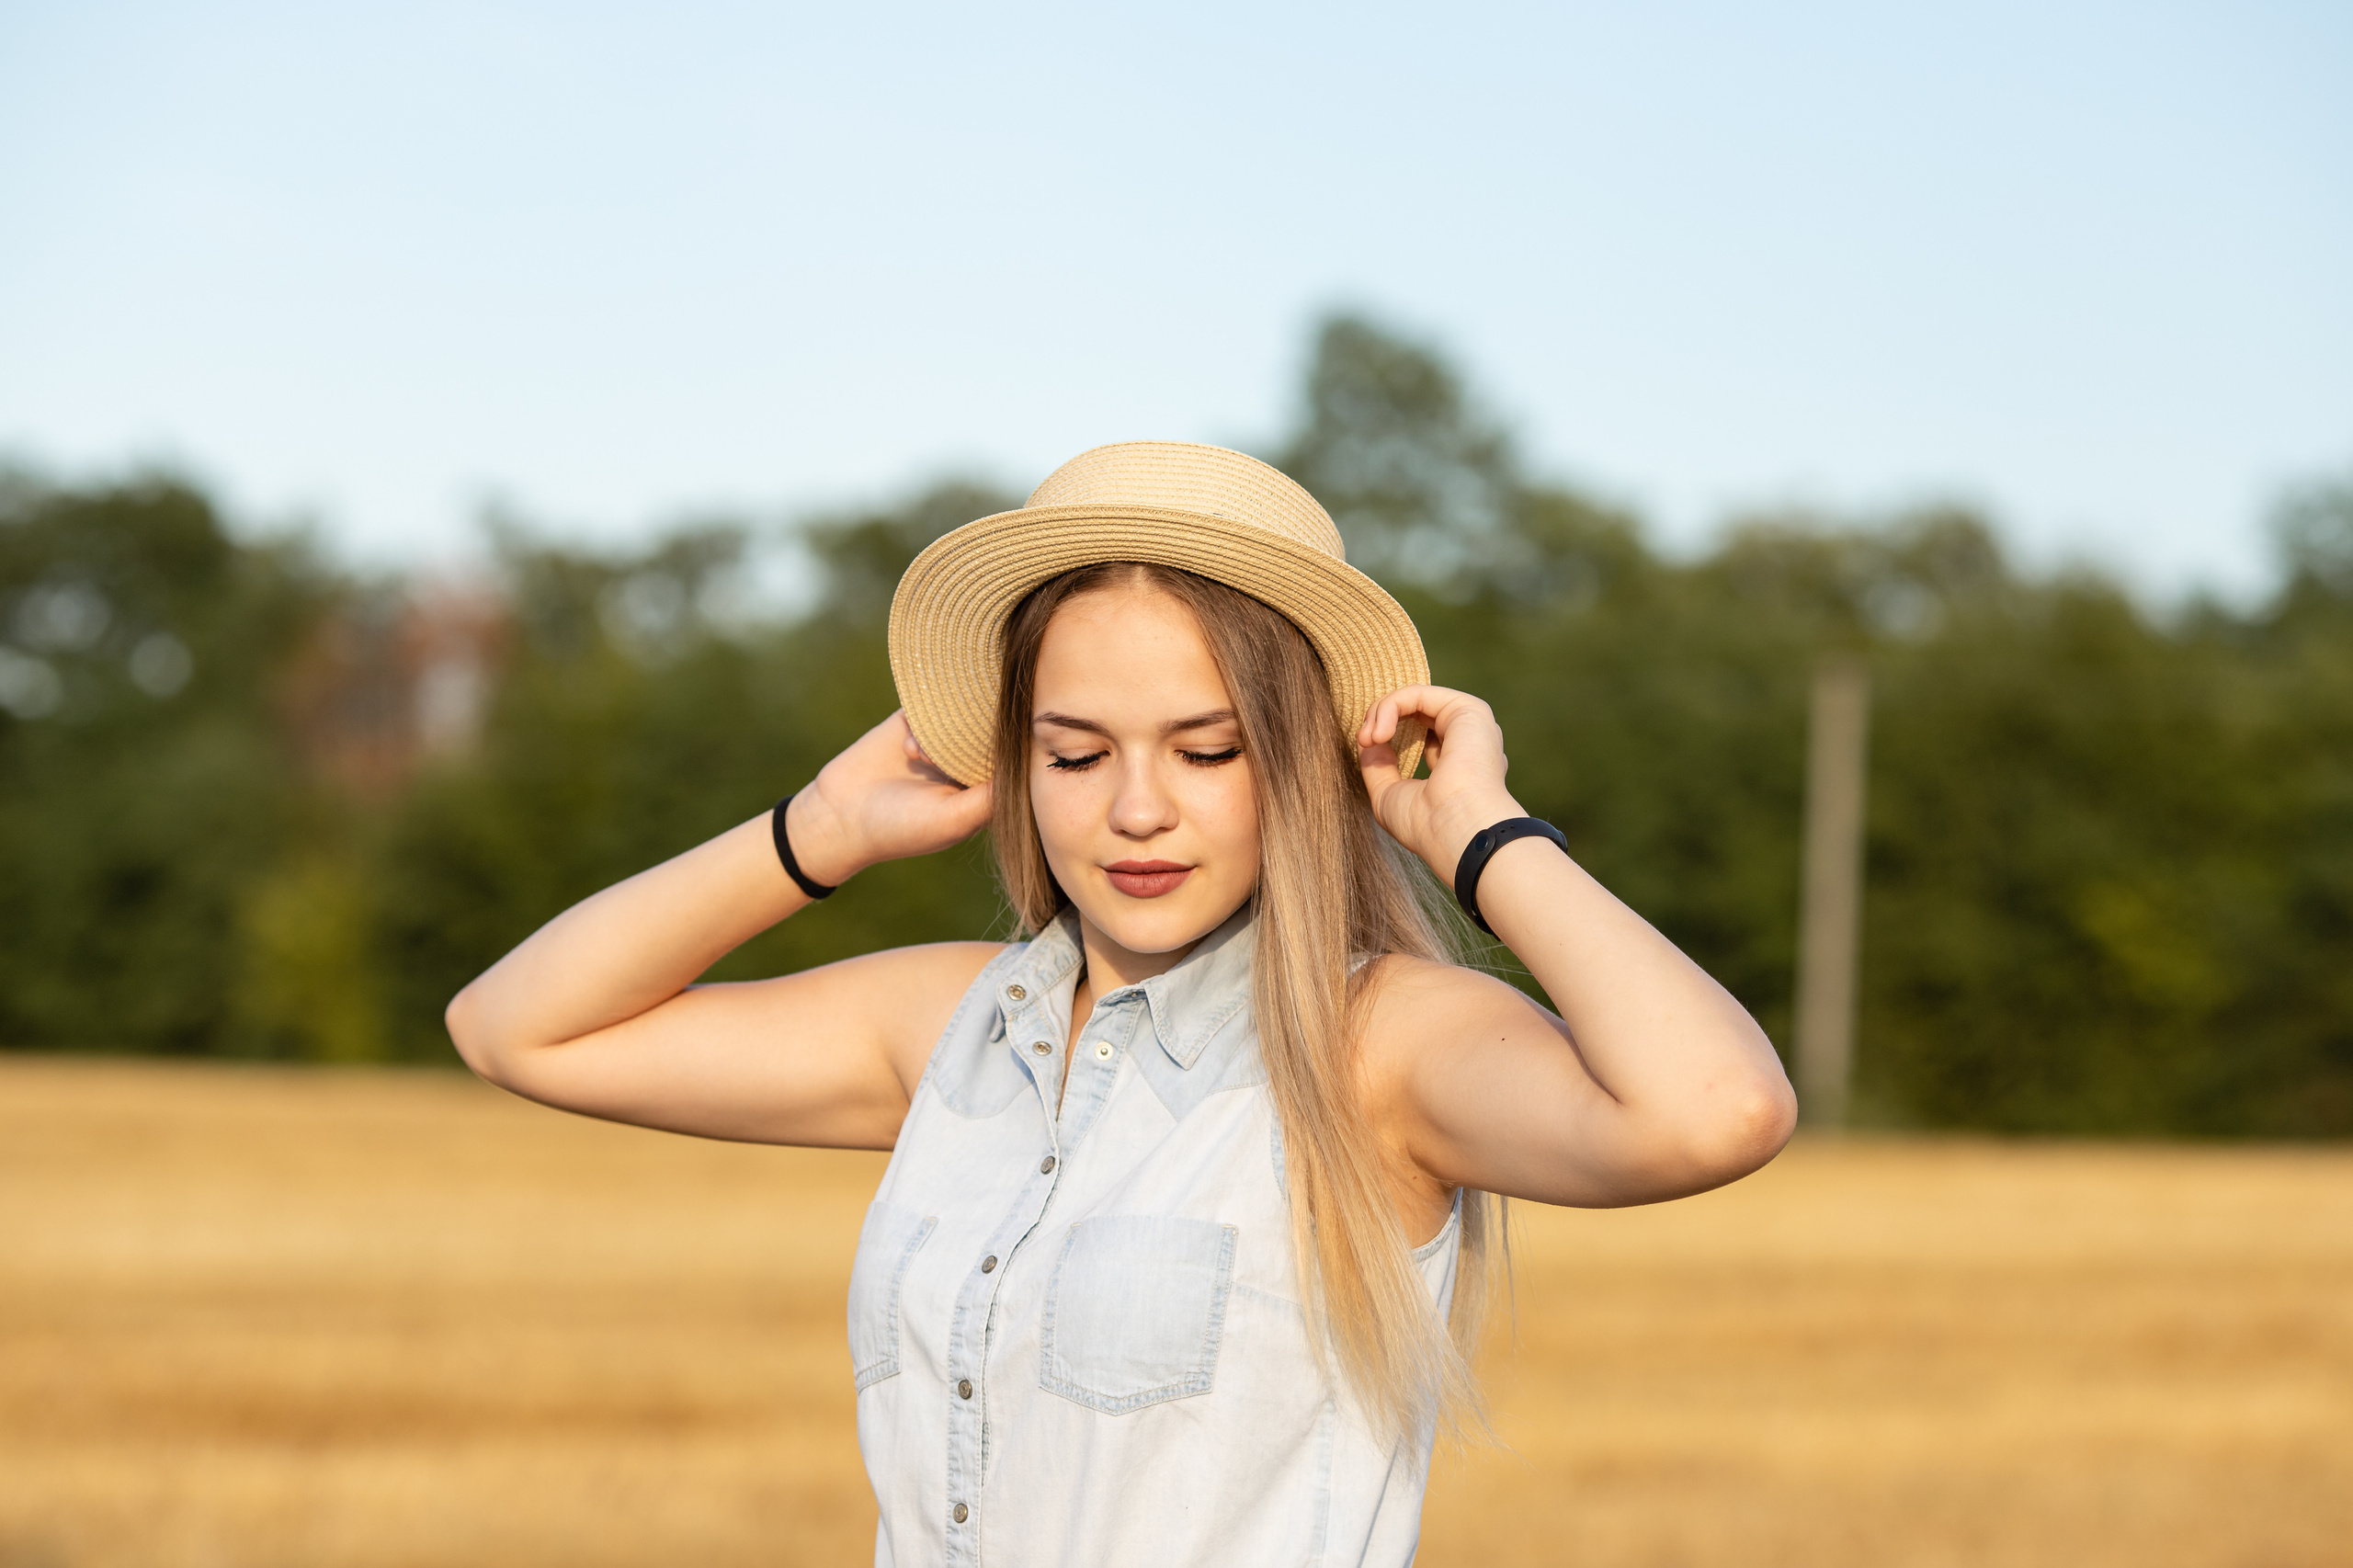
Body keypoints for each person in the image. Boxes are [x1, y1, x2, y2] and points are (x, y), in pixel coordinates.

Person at [446, 441, 1797, 1566]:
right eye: (1076, 751)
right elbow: (519, 1027)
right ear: (1019, 766)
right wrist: (821, 827)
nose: (1135, 808)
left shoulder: (1376, 1044)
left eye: (1207, 749)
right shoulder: (953, 1029)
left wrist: (1482, 833)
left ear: (1302, 763)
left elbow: (1718, 1109)